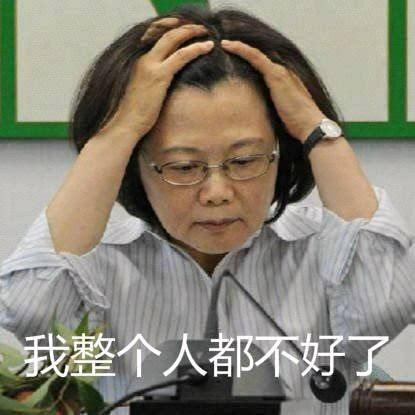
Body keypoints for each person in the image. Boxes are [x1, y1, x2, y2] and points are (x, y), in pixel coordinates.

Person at [1, 4, 414, 415]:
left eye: (245, 160)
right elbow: (31, 312)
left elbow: (388, 303)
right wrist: (118, 131)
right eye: (184, 167)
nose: (217, 192)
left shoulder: (325, 252)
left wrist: (316, 129)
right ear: (133, 166)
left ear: (281, 153)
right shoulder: (97, 263)